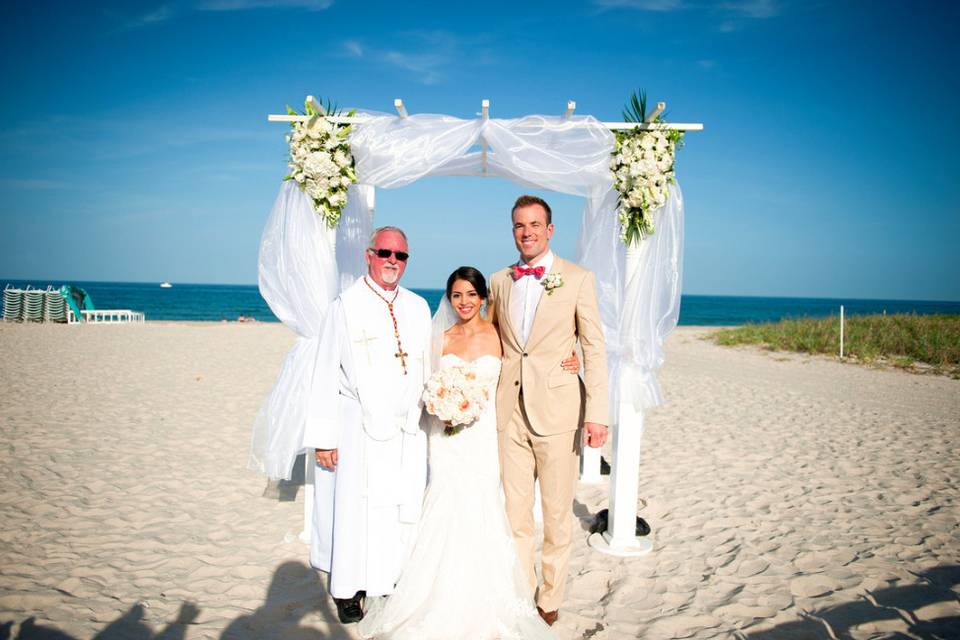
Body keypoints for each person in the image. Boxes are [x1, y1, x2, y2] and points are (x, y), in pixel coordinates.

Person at [358, 267, 578, 639]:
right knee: (444, 505)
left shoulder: (499, 335)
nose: (464, 302)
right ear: (448, 298)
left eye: (471, 295)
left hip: (483, 440)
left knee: (484, 506)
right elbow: (419, 379)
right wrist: (442, 405)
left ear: (483, 298)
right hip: (446, 440)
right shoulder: (439, 338)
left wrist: (572, 358)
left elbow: (535, 353)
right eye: (457, 295)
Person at [487, 195, 609, 626]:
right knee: (514, 513)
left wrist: (598, 413)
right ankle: (522, 591)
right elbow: (489, 337)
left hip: (558, 412)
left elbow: (593, 346)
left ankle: (550, 597)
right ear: (513, 230)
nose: (528, 232)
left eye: (535, 225)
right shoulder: (499, 280)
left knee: (557, 514)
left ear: (550, 229)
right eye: (520, 225)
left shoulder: (577, 278)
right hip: (509, 412)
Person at [303, 226, 432, 624]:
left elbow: (427, 367)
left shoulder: (417, 307)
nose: (393, 261)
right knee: (355, 510)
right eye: (385, 253)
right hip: (356, 427)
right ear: (368, 254)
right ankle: (348, 589)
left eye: (401, 256)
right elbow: (324, 372)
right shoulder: (344, 305)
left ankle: (386, 580)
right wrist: (324, 438)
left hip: (404, 430)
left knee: (394, 508)